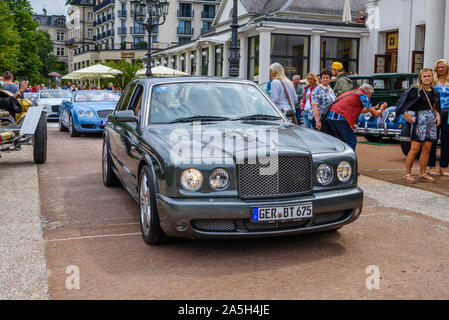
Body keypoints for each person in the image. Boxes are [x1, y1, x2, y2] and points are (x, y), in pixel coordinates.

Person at [395, 68, 441, 183]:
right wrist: (405, 114)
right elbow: (401, 103)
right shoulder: (414, 90)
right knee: (415, 149)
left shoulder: (435, 91)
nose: (427, 78)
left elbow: (434, 107)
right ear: (420, 78)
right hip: (418, 120)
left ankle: (423, 173)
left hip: (431, 121)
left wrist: (437, 114)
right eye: (424, 76)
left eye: (429, 76)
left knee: (427, 149)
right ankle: (408, 174)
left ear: (432, 77)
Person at [327, 84, 388, 150]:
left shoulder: (352, 92)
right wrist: (382, 108)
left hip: (331, 117)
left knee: (341, 141)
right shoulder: (363, 96)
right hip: (341, 118)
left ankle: (339, 158)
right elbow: (376, 115)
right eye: (371, 94)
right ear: (369, 92)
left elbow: (360, 110)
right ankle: (349, 159)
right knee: (352, 141)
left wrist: (374, 108)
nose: (370, 96)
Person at [429, 59, 449, 176]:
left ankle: (443, 166)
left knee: (447, 140)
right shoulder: (433, 81)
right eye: (439, 67)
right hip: (435, 113)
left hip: (448, 112)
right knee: (433, 139)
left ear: (447, 68)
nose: (440, 69)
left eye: (443, 67)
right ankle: (431, 166)